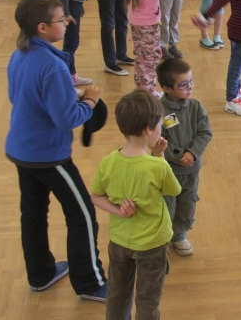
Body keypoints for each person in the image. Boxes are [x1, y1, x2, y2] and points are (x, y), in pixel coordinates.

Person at [6, 0, 107, 301]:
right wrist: (89, 101)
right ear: (42, 27)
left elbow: (20, 96)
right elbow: (67, 119)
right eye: (61, 19)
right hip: (48, 156)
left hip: (21, 150)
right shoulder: (53, 66)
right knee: (82, 214)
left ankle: (41, 274)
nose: (67, 22)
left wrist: (66, 96)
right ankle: (91, 283)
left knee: (33, 213)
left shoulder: (19, 54)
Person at [90, 89, 182, 320]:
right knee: (148, 299)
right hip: (152, 244)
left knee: (117, 294)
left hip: (120, 241)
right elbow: (174, 190)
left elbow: (96, 196)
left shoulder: (108, 162)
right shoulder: (157, 166)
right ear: (148, 129)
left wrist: (118, 211)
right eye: (160, 125)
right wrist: (159, 155)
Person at [156, 58, 212, 256]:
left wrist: (193, 153)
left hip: (191, 171)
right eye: (183, 85)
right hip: (168, 171)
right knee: (167, 206)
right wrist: (179, 155)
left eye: (191, 81)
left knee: (187, 204)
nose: (190, 87)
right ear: (167, 88)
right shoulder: (159, 111)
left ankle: (179, 235)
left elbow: (205, 133)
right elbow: (157, 140)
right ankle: (163, 238)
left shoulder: (196, 107)